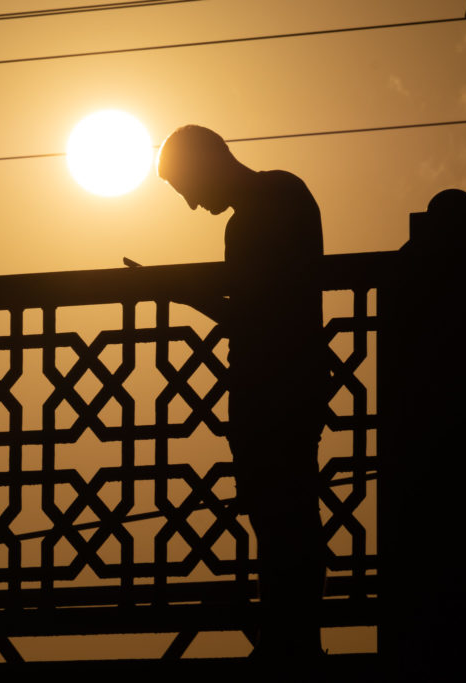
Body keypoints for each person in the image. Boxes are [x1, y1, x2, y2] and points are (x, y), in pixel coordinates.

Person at [156, 125, 329, 662]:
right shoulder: (280, 196)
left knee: (284, 514)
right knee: (280, 511)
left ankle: (291, 641)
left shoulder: (267, 205)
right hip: (278, 379)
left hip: (276, 382)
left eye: (187, 187)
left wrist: (185, 295)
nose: (190, 204)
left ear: (210, 162)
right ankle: (290, 636)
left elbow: (256, 313)